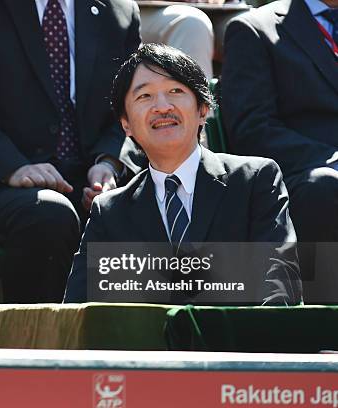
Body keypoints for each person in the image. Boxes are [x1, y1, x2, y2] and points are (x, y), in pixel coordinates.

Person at [0, 0, 144, 303]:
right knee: (49, 215)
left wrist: (108, 163)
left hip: (89, 180)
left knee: (160, 204)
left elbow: (132, 109)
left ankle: (150, 344)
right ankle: (38, 346)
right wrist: (13, 167)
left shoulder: (117, 10)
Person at [64, 43, 302, 305]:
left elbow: (280, 283)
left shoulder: (255, 181)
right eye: (144, 96)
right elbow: (78, 310)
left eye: (175, 91)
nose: (162, 106)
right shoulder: (110, 212)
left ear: (203, 110)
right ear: (126, 124)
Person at [221, 0, 338, 301]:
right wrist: (332, 158)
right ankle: (323, 325)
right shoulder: (253, 29)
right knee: (325, 186)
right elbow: (252, 129)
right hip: (304, 174)